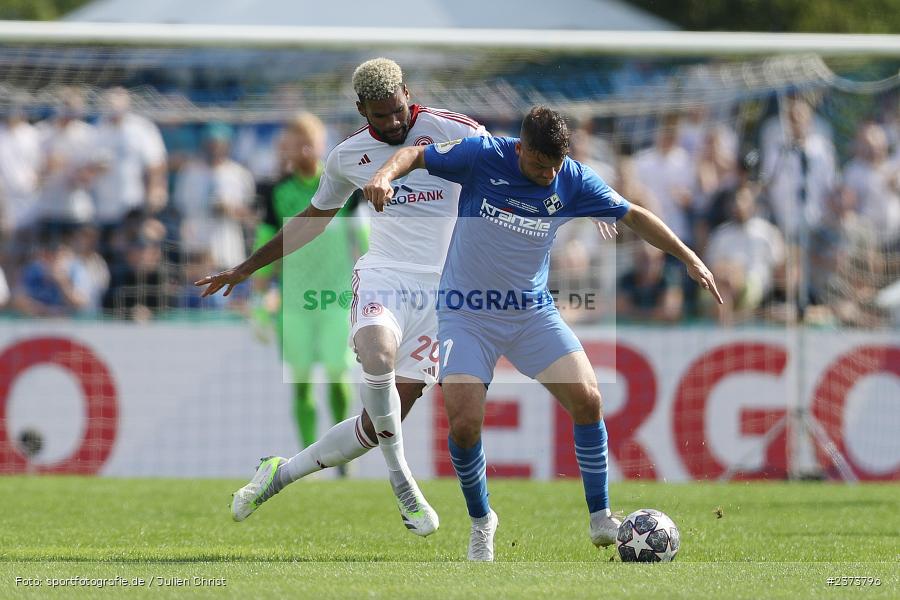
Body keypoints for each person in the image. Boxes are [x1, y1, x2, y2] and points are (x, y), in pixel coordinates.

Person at [362, 106, 722, 561]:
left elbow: (633, 215)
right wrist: (383, 176)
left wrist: (688, 256)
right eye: (539, 163)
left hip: (530, 313)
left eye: (555, 164)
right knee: (465, 422)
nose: (547, 173)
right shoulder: (481, 155)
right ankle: (481, 523)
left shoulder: (572, 179)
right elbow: (415, 154)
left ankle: (600, 517)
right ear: (521, 148)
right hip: (467, 314)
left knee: (588, 398)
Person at [194, 58, 487, 536]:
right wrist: (247, 267)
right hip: (384, 274)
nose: (392, 123)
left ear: (407, 94)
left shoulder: (454, 129)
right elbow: (313, 218)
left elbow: (512, 161)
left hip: (443, 292)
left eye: (397, 112)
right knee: (377, 357)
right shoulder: (348, 156)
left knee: (375, 427)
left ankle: (278, 474)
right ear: (360, 109)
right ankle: (402, 481)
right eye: (379, 116)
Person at [252, 112, 367, 459]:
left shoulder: (342, 186)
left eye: (310, 141)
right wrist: (259, 293)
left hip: (335, 298)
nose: (303, 149)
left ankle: (343, 457)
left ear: (320, 145)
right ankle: (309, 459)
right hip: (294, 303)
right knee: (300, 383)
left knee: (338, 375)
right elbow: (267, 240)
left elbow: (361, 238)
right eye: (296, 142)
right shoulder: (276, 193)